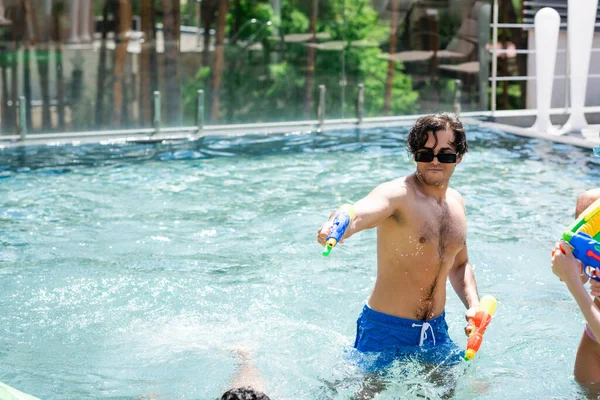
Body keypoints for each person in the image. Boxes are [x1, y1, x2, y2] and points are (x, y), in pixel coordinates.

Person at [317, 113, 481, 367]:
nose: (434, 162)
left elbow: (459, 265)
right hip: (385, 330)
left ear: (459, 157)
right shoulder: (397, 194)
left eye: (445, 154)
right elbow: (360, 212)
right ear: (415, 154)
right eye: (425, 154)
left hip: (435, 332)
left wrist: (474, 306)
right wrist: (337, 225)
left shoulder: (457, 203)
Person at [551, 188, 600, 390]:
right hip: (594, 337)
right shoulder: (592, 203)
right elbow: (580, 274)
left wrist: (572, 281)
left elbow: (574, 280)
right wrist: (567, 262)